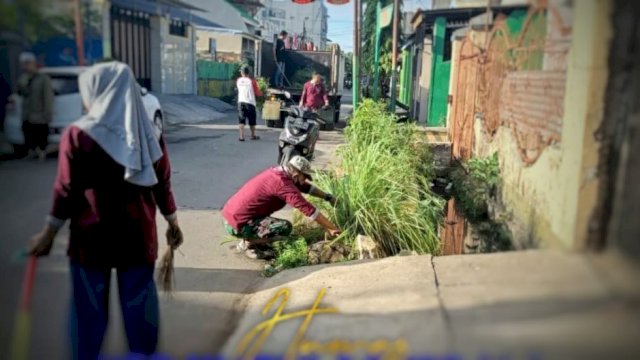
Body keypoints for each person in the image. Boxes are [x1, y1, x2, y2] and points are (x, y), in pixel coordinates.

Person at [28, 62, 182, 360]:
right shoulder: (149, 130)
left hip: (91, 239)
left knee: (88, 316)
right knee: (139, 310)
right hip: (137, 237)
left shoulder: (78, 135)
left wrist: (48, 234)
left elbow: (65, 189)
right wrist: (172, 221)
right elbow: (162, 182)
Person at [222, 156, 340, 259]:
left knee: (269, 223)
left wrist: (328, 197)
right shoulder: (283, 184)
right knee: (284, 228)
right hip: (237, 223)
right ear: (297, 174)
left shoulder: (279, 172)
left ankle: (256, 239)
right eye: (305, 177)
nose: (305, 180)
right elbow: (307, 209)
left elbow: (305, 187)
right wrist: (331, 228)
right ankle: (248, 242)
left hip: (232, 216)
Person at [17, 52, 53, 161]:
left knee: (41, 133)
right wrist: (23, 83)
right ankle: (31, 151)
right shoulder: (23, 78)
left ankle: (42, 152)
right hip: (27, 113)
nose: (25, 66)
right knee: (28, 133)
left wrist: (47, 113)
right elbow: (21, 93)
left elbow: (48, 96)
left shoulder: (43, 78)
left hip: (39, 113)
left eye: (27, 63)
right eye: (23, 64)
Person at [236, 65, 263, 141]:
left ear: (242, 72)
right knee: (252, 121)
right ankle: (253, 135)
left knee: (241, 120)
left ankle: (241, 136)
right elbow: (257, 92)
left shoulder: (238, 80)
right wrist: (262, 94)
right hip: (250, 103)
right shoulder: (252, 81)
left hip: (241, 102)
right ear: (248, 73)